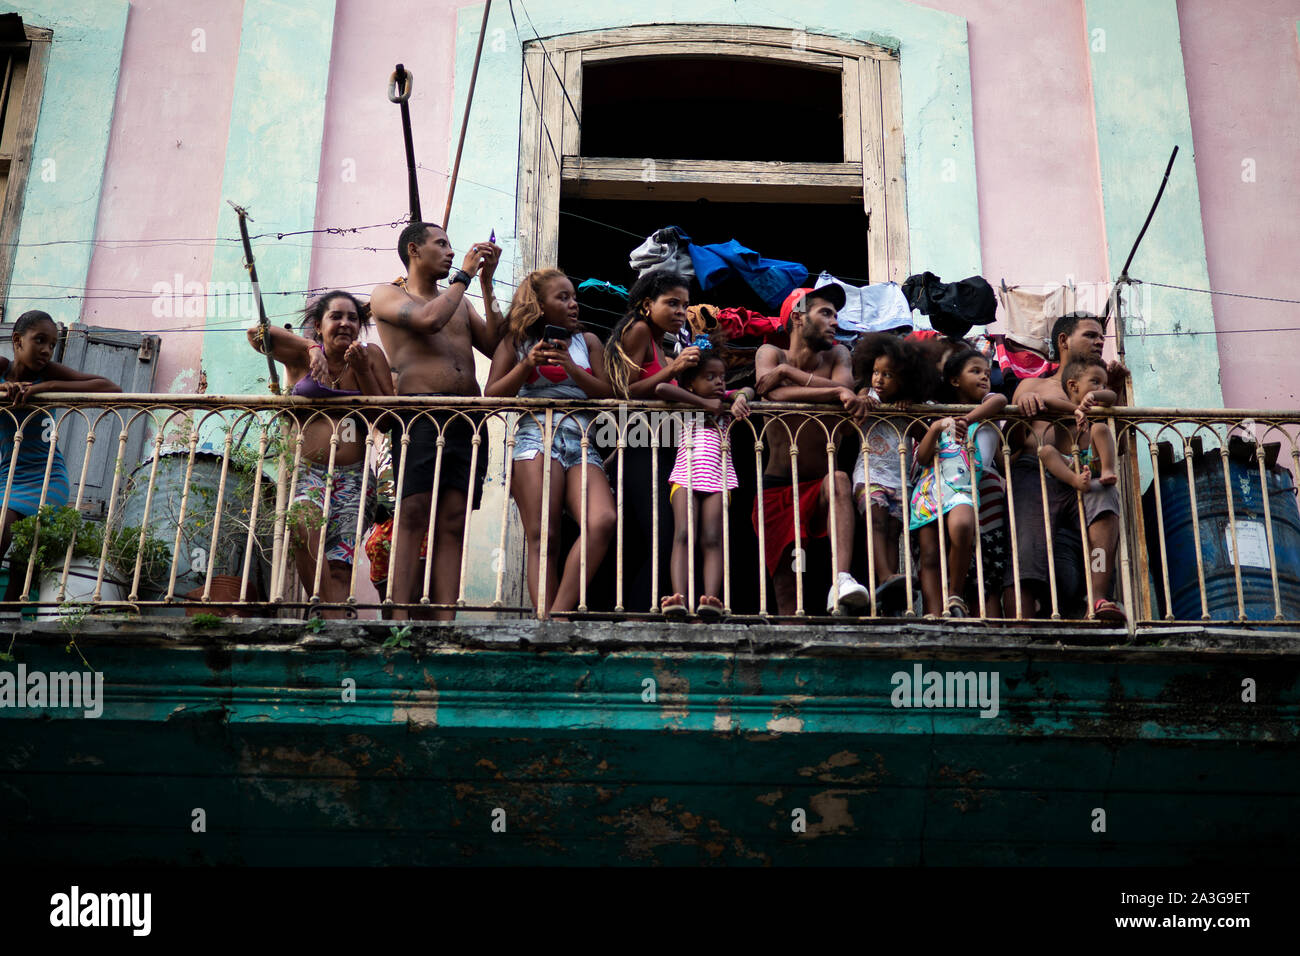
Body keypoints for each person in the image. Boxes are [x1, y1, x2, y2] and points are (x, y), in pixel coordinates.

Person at [369, 221, 502, 620]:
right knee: (412, 513)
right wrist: (464, 275)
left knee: (454, 519)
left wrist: (487, 285)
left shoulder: (459, 299)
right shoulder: (388, 294)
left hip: (467, 418)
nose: (449, 251)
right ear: (414, 250)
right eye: (441, 244)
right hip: (420, 416)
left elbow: (495, 345)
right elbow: (428, 320)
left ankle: (446, 622)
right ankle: (398, 618)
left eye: (451, 245)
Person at [248, 291, 393, 616]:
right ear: (318, 325)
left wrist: (364, 371)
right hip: (309, 472)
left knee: (340, 566)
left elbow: (385, 418)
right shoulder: (302, 356)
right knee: (302, 521)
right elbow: (256, 334)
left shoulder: (371, 356)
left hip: (355, 477)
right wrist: (310, 347)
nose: (345, 323)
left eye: (352, 318)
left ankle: (332, 629)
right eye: (336, 317)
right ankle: (329, 616)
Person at [486, 269, 616, 617]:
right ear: (539, 305)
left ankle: (555, 615)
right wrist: (527, 364)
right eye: (563, 297)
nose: (574, 304)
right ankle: (548, 621)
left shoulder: (587, 341)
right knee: (544, 534)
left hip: (582, 439)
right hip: (534, 435)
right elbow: (493, 394)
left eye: (574, 297)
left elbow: (607, 393)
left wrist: (571, 368)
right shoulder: (515, 342)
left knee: (602, 520)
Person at [752, 285, 871, 616]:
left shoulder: (839, 355)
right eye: (826, 313)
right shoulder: (770, 355)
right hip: (778, 486)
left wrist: (789, 377)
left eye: (836, 314)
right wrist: (830, 392)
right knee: (786, 587)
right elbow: (769, 394)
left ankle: (843, 580)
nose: (835, 321)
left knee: (839, 480)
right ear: (798, 318)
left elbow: (846, 389)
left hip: (821, 488)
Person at [1009, 312, 1129, 622]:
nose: (1100, 341)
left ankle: (1100, 598)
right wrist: (1021, 411)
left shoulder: (1102, 387)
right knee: (1030, 540)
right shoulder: (1032, 384)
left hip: (1085, 472)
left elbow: (1124, 444)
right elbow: (1010, 440)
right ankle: (1025, 612)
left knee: (1105, 498)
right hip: (1035, 471)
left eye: (1101, 336)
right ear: (1063, 340)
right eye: (1090, 335)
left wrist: (1114, 391)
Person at [0, 310, 121, 598]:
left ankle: (8, 631)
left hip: (47, 481)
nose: (46, 350)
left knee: (24, 564)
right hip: (8, 478)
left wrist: (49, 387)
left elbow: (111, 387)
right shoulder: (2, 367)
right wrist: (4, 387)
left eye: (52, 344)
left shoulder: (48, 373)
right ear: (17, 341)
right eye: (39, 340)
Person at [602, 271, 700, 613]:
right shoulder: (639, 329)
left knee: (660, 536)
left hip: (661, 446)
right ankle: (638, 616)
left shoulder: (661, 343)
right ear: (647, 304)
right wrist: (673, 371)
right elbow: (624, 391)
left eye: (684, 305)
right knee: (661, 534)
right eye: (671, 303)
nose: (680, 311)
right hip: (640, 445)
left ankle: (644, 611)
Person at [654, 339, 755, 620]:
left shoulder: (727, 401)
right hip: (685, 477)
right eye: (709, 377)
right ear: (690, 384)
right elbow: (660, 387)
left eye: (722, 377)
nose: (719, 383)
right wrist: (705, 404)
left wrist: (739, 398)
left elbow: (749, 388)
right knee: (683, 535)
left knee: (712, 538)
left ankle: (710, 597)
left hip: (719, 479)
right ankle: (680, 597)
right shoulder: (686, 400)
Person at [909, 349, 1007, 617]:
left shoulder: (984, 410)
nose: (985, 377)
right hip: (930, 489)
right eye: (975, 371)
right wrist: (938, 426)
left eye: (987, 373)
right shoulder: (935, 413)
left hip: (962, 489)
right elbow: (925, 456)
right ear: (954, 380)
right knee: (929, 554)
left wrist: (967, 419)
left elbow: (1000, 399)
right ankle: (932, 611)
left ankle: (955, 595)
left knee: (963, 526)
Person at [851, 332, 934, 610]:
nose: (879, 379)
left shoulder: (907, 405)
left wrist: (911, 413)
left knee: (891, 531)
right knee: (875, 521)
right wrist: (864, 397)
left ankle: (885, 587)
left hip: (899, 480)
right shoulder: (867, 395)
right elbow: (859, 396)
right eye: (875, 372)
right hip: (870, 474)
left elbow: (925, 435)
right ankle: (885, 575)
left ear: (905, 379)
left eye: (888, 374)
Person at [1063, 353, 1124, 619]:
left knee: (1098, 549)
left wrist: (1096, 396)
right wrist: (1073, 410)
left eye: (1103, 382)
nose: (1099, 388)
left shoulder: (1097, 415)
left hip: (1096, 484)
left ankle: (1098, 596)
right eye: (1094, 382)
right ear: (1073, 386)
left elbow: (1110, 396)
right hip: (1068, 486)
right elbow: (1046, 402)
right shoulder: (1062, 414)